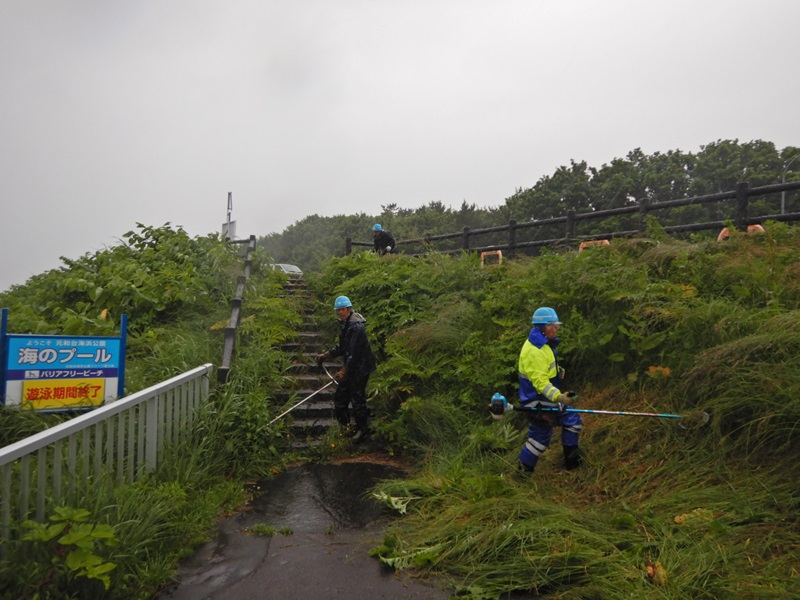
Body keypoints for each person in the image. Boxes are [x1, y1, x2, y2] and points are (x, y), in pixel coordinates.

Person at [517, 307, 583, 473]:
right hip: (538, 402)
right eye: (551, 326)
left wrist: (558, 370)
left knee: (572, 421)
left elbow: (545, 367)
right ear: (540, 327)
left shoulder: (543, 343)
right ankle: (522, 474)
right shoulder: (534, 351)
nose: (555, 329)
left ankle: (572, 465)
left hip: (548, 399)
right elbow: (540, 382)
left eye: (557, 325)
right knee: (539, 439)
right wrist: (560, 397)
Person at [315, 295, 376, 442]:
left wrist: (343, 371)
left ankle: (363, 431)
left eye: (342, 309)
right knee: (340, 399)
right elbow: (343, 347)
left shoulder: (356, 326)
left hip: (361, 367)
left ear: (348, 309)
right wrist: (325, 355)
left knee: (357, 399)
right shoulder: (345, 324)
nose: (340, 312)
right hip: (351, 367)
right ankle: (347, 428)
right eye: (338, 310)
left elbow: (354, 353)